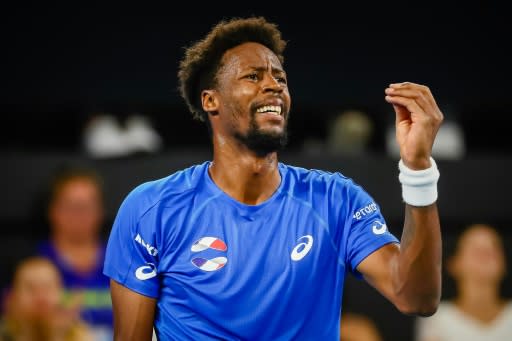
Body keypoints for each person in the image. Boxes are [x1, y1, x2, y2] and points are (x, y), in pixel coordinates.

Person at [103, 16, 444, 340]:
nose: (273, 86)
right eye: (252, 76)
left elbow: (416, 298)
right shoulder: (151, 209)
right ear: (211, 101)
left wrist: (418, 169)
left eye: (280, 78)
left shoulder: (336, 200)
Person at [38, 167, 113, 340]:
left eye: (86, 206)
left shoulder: (124, 263)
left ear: (100, 212)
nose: (79, 214)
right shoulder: (33, 265)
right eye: (71, 206)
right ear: (53, 210)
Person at [415, 224, 512, 341]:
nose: (485, 253)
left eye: (493, 247)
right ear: (454, 264)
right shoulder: (437, 319)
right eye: (475, 248)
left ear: (504, 264)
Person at [0, 257, 92, 341]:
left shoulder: (79, 334)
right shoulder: (4, 333)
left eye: (47, 288)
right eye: (30, 288)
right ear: (13, 297)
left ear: (60, 292)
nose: (41, 297)